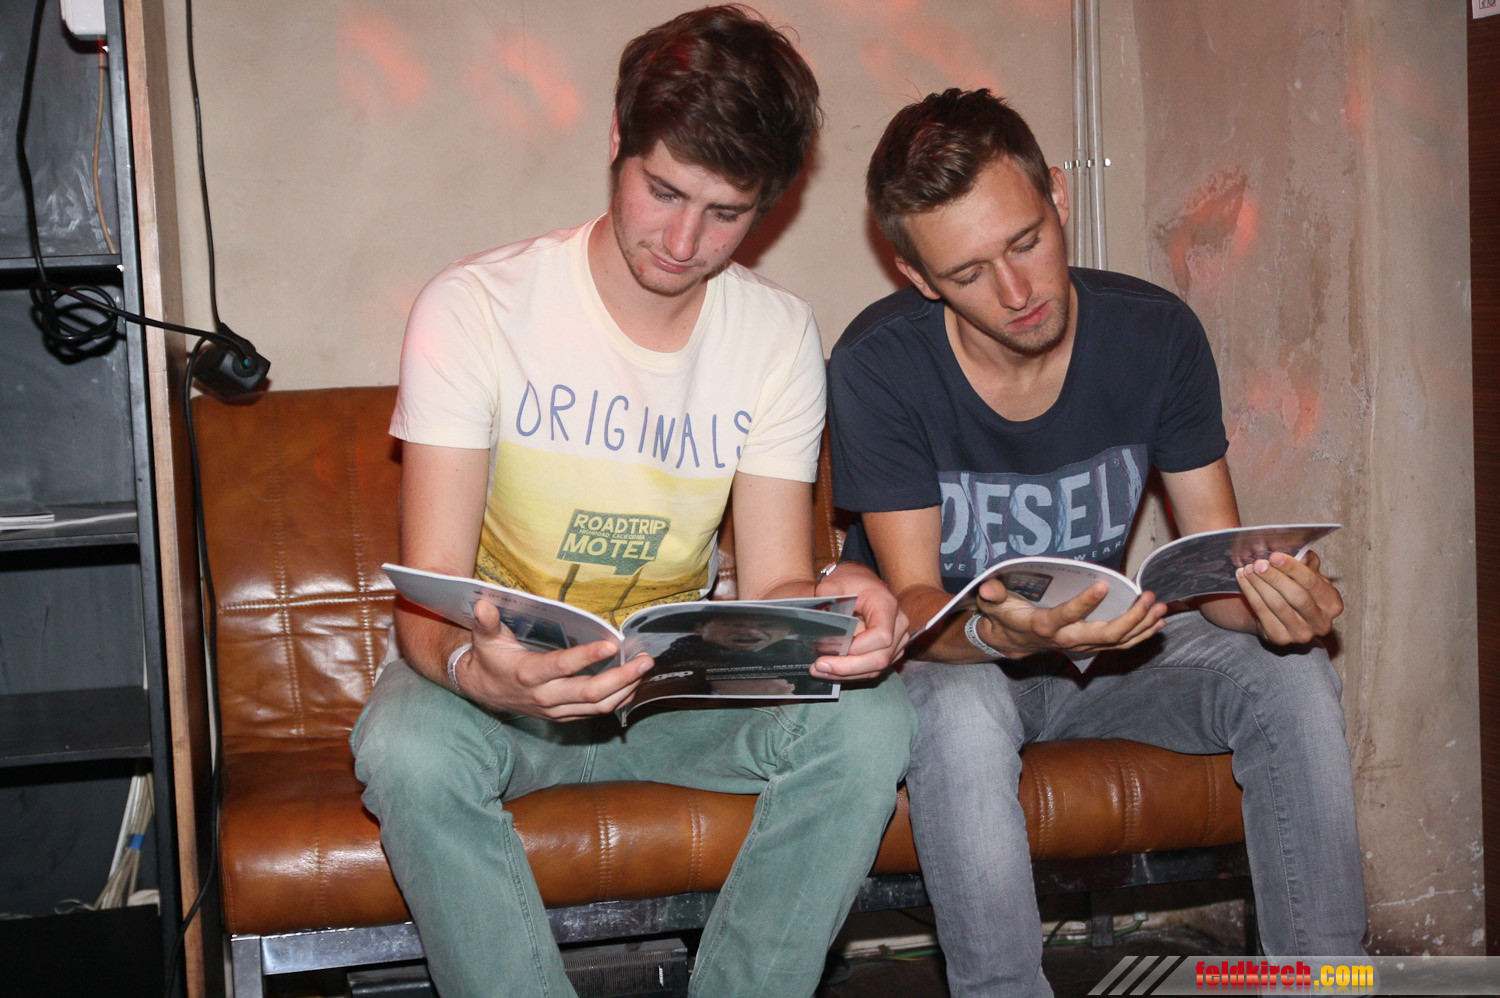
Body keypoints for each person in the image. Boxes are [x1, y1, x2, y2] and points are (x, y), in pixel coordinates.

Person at [350, 8, 915, 998]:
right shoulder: (475, 309)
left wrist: (837, 598)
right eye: (663, 191)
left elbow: (776, 578)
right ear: (617, 141)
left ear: (770, 204)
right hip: (502, 690)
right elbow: (428, 596)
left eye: (727, 213)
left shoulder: (776, 334)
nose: (684, 241)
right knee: (404, 747)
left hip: (672, 694)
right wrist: (483, 675)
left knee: (872, 722)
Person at [826, 88, 1366, 998]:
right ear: (917, 277)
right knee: (961, 709)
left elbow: (1214, 569)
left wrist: (1276, 601)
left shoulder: (1156, 335)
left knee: (1293, 675)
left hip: (1108, 654)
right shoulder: (881, 364)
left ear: (1060, 196)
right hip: (957, 666)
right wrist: (1000, 633)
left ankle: (1321, 984)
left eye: (1026, 241)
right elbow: (915, 604)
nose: (1017, 292)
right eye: (968, 273)